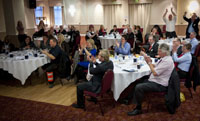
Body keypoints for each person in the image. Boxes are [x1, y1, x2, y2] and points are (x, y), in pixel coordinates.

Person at [127, 43, 174, 116]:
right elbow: (156, 66)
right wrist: (148, 61)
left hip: (160, 84)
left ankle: (138, 108)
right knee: (138, 80)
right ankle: (129, 99)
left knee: (139, 87)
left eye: (159, 51)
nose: (158, 52)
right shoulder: (164, 58)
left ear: (164, 52)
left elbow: (155, 73)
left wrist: (149, 63)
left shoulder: (167, 61)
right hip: (157, 80)